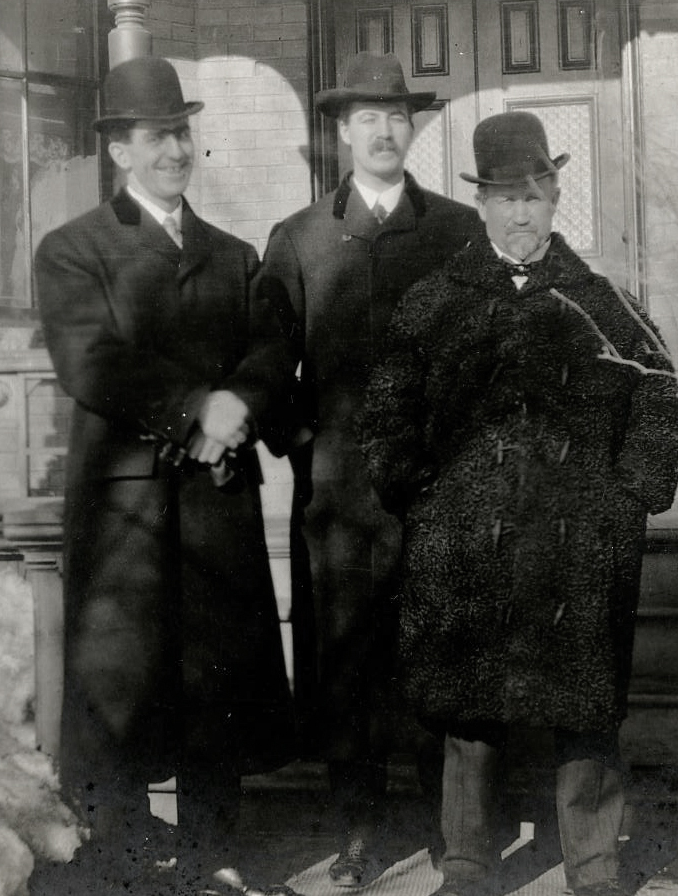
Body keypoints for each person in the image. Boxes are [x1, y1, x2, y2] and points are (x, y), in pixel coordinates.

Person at [359, 112, 678, 896]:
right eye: (506, 196)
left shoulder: (606, 303)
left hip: (578, 544)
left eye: (535, 195)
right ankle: (470, 865)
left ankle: (595, 865)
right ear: (481, 204)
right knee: (469, 709)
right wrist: (421, 497)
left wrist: (629, 496)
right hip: (465, 541)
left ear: (554, 197)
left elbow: (661, 408)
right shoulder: (432, 302)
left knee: (584, 708)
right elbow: (386, 413)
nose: (521, 213)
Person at [32, 55, 298, 896]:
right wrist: (196, 409)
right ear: (119, 150)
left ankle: (214, 847)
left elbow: (272, 346)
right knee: (123, 683)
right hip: (128, 507)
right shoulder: (74, 250)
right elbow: (91, 360)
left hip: (216, 495)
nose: (174, 152)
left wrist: (239, 405)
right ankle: (119, 856)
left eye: (182, 135)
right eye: (155, 139)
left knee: (214, 678)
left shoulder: (233, 254)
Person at [255, 52, 481, 887]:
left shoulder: (457, 231)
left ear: (412, 126)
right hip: (341, 497)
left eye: (398, 116)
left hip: (439, 489)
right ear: (342, 132)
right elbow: (267, 359)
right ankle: (355, 831)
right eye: (367, 119)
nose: (385, 131)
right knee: (347, 666)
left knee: (436, 656)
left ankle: (447, 831)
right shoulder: (302, 238)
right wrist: (305, 440)